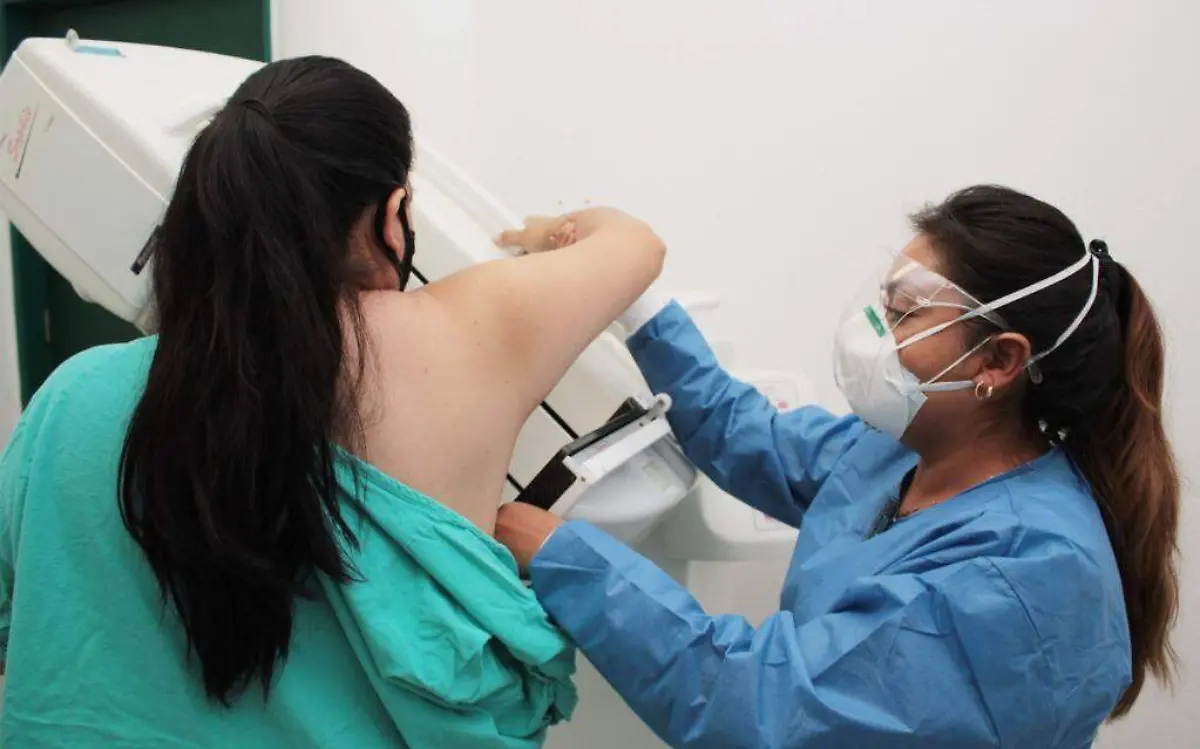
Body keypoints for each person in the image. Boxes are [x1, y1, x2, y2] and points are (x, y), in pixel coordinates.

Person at [0, 57, 665, 748]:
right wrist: (546, 234)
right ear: (392, 216)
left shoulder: (67, 399)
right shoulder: (467, 339)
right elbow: (636, 244)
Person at [495, 185, 1181, 748]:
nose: (871, 333)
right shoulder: (901, 451)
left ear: (999, 361)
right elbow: (749, 437)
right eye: (882, 304)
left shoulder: (1025, 574)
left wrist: (568, 558)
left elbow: (760, 706)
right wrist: (632, 297)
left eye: (904, 313)